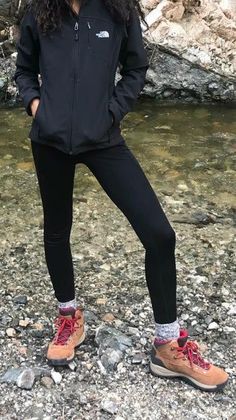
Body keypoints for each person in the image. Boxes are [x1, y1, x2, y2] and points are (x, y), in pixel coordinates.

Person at [14, 0, 229, 391]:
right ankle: (69, 319)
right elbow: (24, 70)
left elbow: (136, 69)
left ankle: (167, 345)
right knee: (57, 231)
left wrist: (112, 113)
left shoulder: (117, 11)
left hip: (103, 140)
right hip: (49, 141)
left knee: (160, 235)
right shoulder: (39, 12)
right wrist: (36, 106)